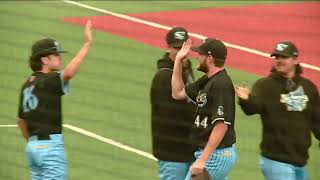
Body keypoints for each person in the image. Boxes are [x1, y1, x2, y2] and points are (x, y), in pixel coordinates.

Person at [16, 20, 93, 179]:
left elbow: (20, 121)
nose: (60, 58)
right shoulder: (49, 80)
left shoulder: (27, 85)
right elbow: (69, 73)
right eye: (56, 55)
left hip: (33, 148)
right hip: (50, 147)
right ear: (44, 60)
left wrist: (32, 143)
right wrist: (87, 44)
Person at [235, 41, 320, 180]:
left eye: (284, 57)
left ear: (295, 59)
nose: (279, 61)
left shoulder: (309, 87)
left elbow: (317, 120)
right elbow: (253, 108)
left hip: (301, 160)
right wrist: (245, 100)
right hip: (276, 160)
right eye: (277, 57)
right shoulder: (265, 85)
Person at [171, 38, 237, 180]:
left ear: (209, 58)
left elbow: (221, 125)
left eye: (200, 54)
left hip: (217, 155)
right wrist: (178, 61)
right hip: (213, 153)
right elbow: (177, 93)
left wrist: (203, 160)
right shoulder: (207, 80)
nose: (197, 57)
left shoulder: (221, 84)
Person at [150, 27, 196, 180]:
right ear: (168, 47)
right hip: (172, 151)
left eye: (184, 46)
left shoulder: (187, 69)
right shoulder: (164, 77)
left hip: (189, 147)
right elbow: (168, 113)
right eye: (177, 47)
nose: (181, 51)